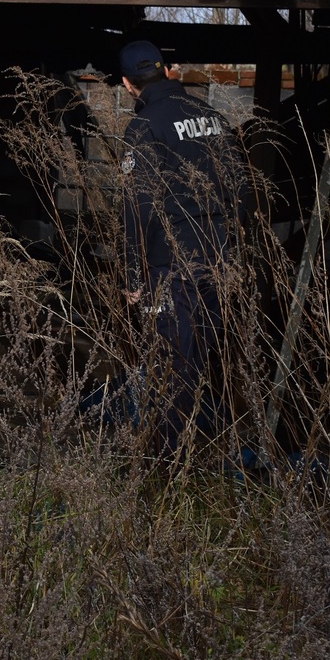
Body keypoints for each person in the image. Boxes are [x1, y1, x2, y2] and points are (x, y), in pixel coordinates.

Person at [116, 40, 244, 463]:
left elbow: (140, 207)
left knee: (173, 366)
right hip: (218, 259)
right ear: (168, 70)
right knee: (208, 357)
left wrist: (134, 277)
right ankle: (208, 450)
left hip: (171, 268)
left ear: (127, 85)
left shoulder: (144, 127)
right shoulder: (214, 118)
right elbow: (238, 190)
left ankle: (169, 466)